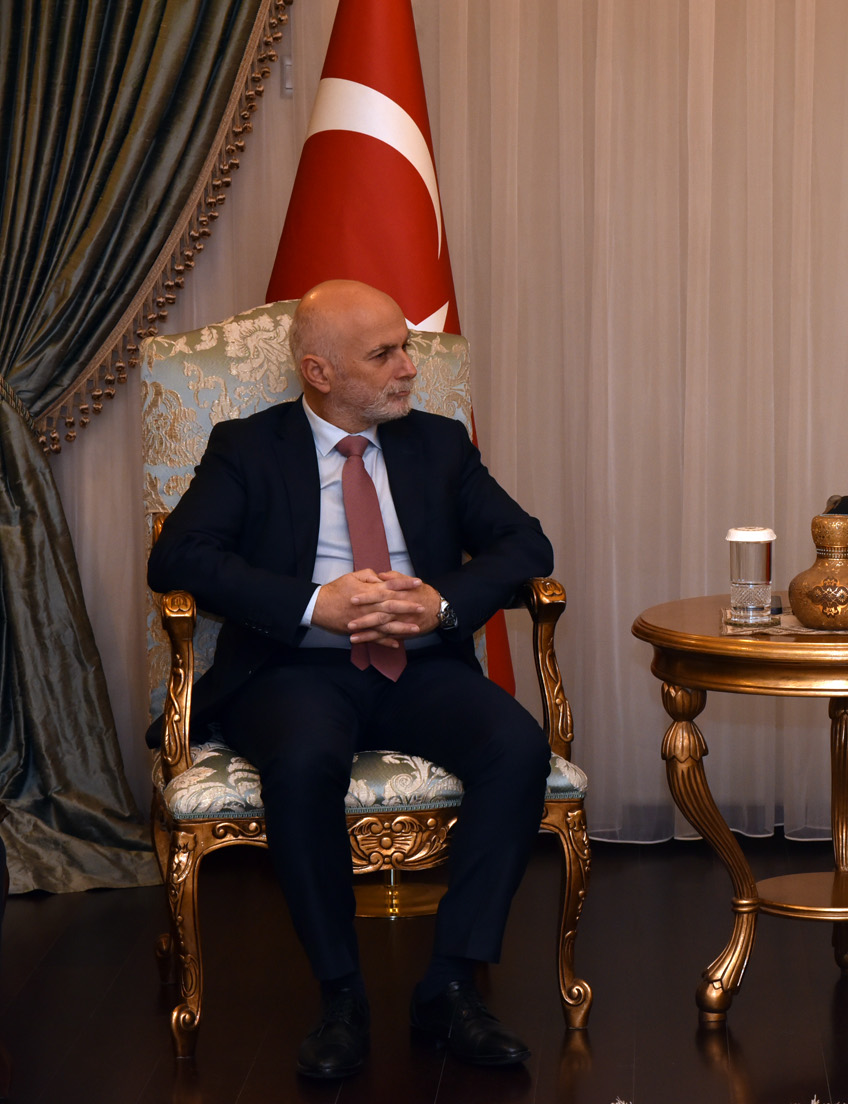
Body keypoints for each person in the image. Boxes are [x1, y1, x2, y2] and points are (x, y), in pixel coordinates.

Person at [148, 280, 556, 1079]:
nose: (410, 367)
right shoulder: (248, 446)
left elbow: (525, 543)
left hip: (420, 664)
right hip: (293, 668)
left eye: (407, 347)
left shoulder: (438, 443)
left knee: (517, 747)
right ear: (320, 371)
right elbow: (180, 557)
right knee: (304, 761)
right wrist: (313, 604)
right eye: (385, 354)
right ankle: (341, 997)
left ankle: (449, 986)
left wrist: (442, 603)